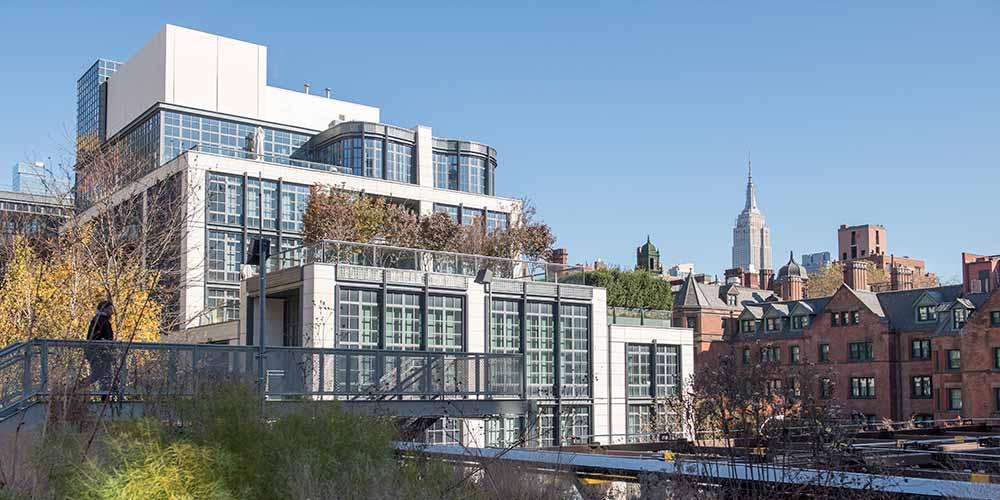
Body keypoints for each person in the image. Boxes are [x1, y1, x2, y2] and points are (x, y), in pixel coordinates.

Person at [85, 300, 115, 399]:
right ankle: (75, 389)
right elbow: (97, 337)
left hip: (100, 353)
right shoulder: (101, 321)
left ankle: (75, 389)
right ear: (104, 309)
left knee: (101, 375)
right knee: (103, 375)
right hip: (99, 353)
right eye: (110, 309)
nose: (112, 311)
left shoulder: (100, 320)